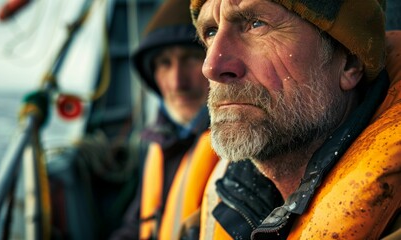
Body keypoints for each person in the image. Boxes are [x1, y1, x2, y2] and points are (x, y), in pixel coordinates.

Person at [186, 0, 401, 239]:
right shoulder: (211, 211)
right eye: (211, 32)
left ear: (349, 62)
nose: (211, 66)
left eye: (257, 24)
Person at [110, 0, 219, 239]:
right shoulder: (159, 141)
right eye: (164, 63)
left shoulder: (242, 151)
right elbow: (135, 225)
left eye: (191, 58)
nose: (177, 82)